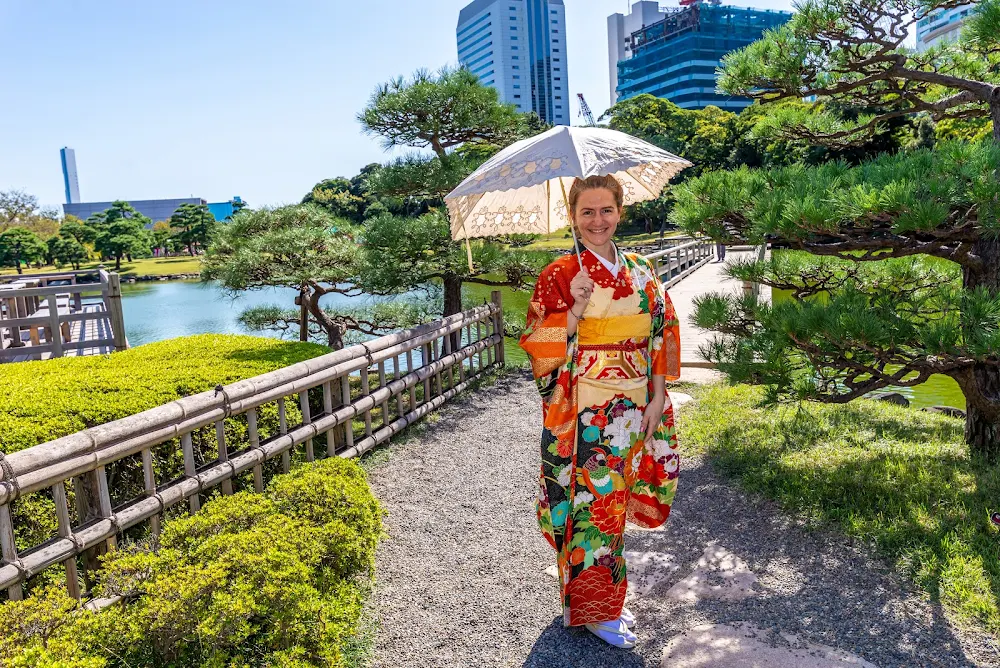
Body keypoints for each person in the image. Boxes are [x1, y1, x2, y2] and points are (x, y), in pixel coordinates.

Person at [519, 175, 681, 649]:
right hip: (586, 410)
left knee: (615, 504)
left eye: (605, 210)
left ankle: (604, 594)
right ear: (572, 216)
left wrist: (656, 397)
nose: (597, 220)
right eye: (586, 212)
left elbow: (660, 333)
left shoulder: (643, 268)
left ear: (620, 212)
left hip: (636, 407)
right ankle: (595, 609)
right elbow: (537, 345)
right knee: (594, 508)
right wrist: (573, 310)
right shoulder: (559, 273)